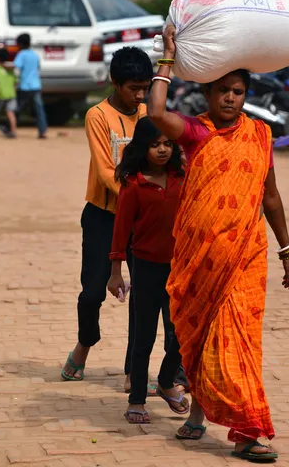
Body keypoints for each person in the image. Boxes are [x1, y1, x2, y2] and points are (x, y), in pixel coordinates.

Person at [147, 25, 289, 462]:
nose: (231, 98)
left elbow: (270, 196)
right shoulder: (197, 132)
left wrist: (287, 249)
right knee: (200, 338)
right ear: (209, 95)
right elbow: (156, 111)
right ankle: (198, 414)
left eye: (238, 91)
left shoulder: (259, 136)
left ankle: (248, 431)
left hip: (245, 256)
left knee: (238, 341)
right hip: (201, 258)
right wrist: (168, 57)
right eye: (223, 91)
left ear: (245, 95)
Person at [61, 47, 153, 383]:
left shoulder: (149, 114)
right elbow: (104, 171)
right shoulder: (97, 116)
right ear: (115, 82)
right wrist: (142, 195)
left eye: (145, 87)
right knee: (92, 293)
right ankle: (85, 343)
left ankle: (134, 370)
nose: (139, 95)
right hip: (103, 216)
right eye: (133, 88)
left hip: (142, 219)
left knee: (142, 294)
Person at [108, 116, 189, 424]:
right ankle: (137, 399)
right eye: (155, 145)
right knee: (143, 337)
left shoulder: (183, 180)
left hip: (179, 269)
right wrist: (116, 271)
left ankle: (167, 382)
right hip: (144, 268)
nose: (162, 150)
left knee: (181, 332)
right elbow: (120, 230)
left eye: (168, 144)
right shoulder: (133, 185)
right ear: (142, 148)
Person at [14, 33, 48, 139]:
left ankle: (11, 128)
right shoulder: (34, 54)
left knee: (17, 108)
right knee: (39, 109)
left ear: (20, 44)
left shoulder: (21, 54)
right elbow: (38, 69)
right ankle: (42, 131)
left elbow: (16, 70)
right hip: (36, 85)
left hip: (24, 86)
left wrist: (15, 82)